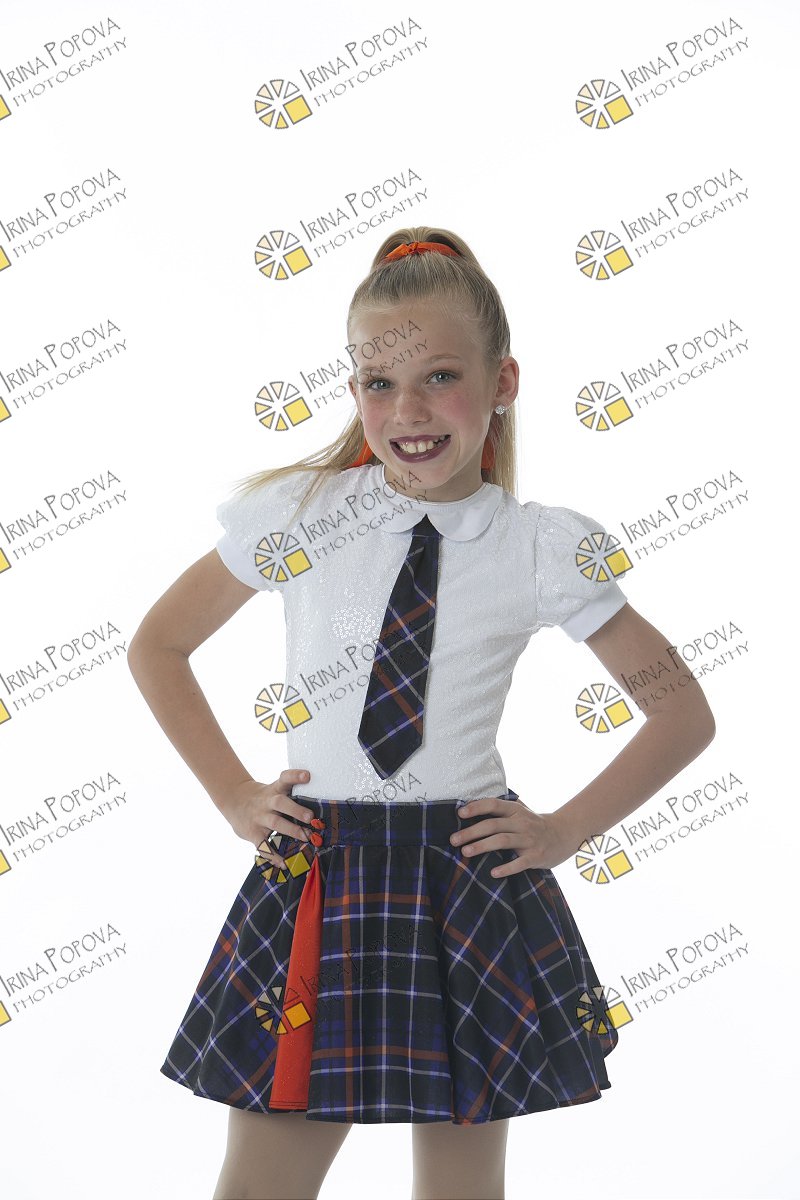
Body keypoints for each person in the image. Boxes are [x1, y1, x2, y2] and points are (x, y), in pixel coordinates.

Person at [127, 227, 716, 1200]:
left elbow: (680, 714)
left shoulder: (539, 548)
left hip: (464, 880)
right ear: (354, 388)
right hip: (317, 869)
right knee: (260, 1184)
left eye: (440, 377)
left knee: (460, 1189)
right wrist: (233, 794)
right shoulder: (301, 516)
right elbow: (159, 646)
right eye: (379, 382)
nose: (407, 411)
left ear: (502, 381)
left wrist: (563, 828)